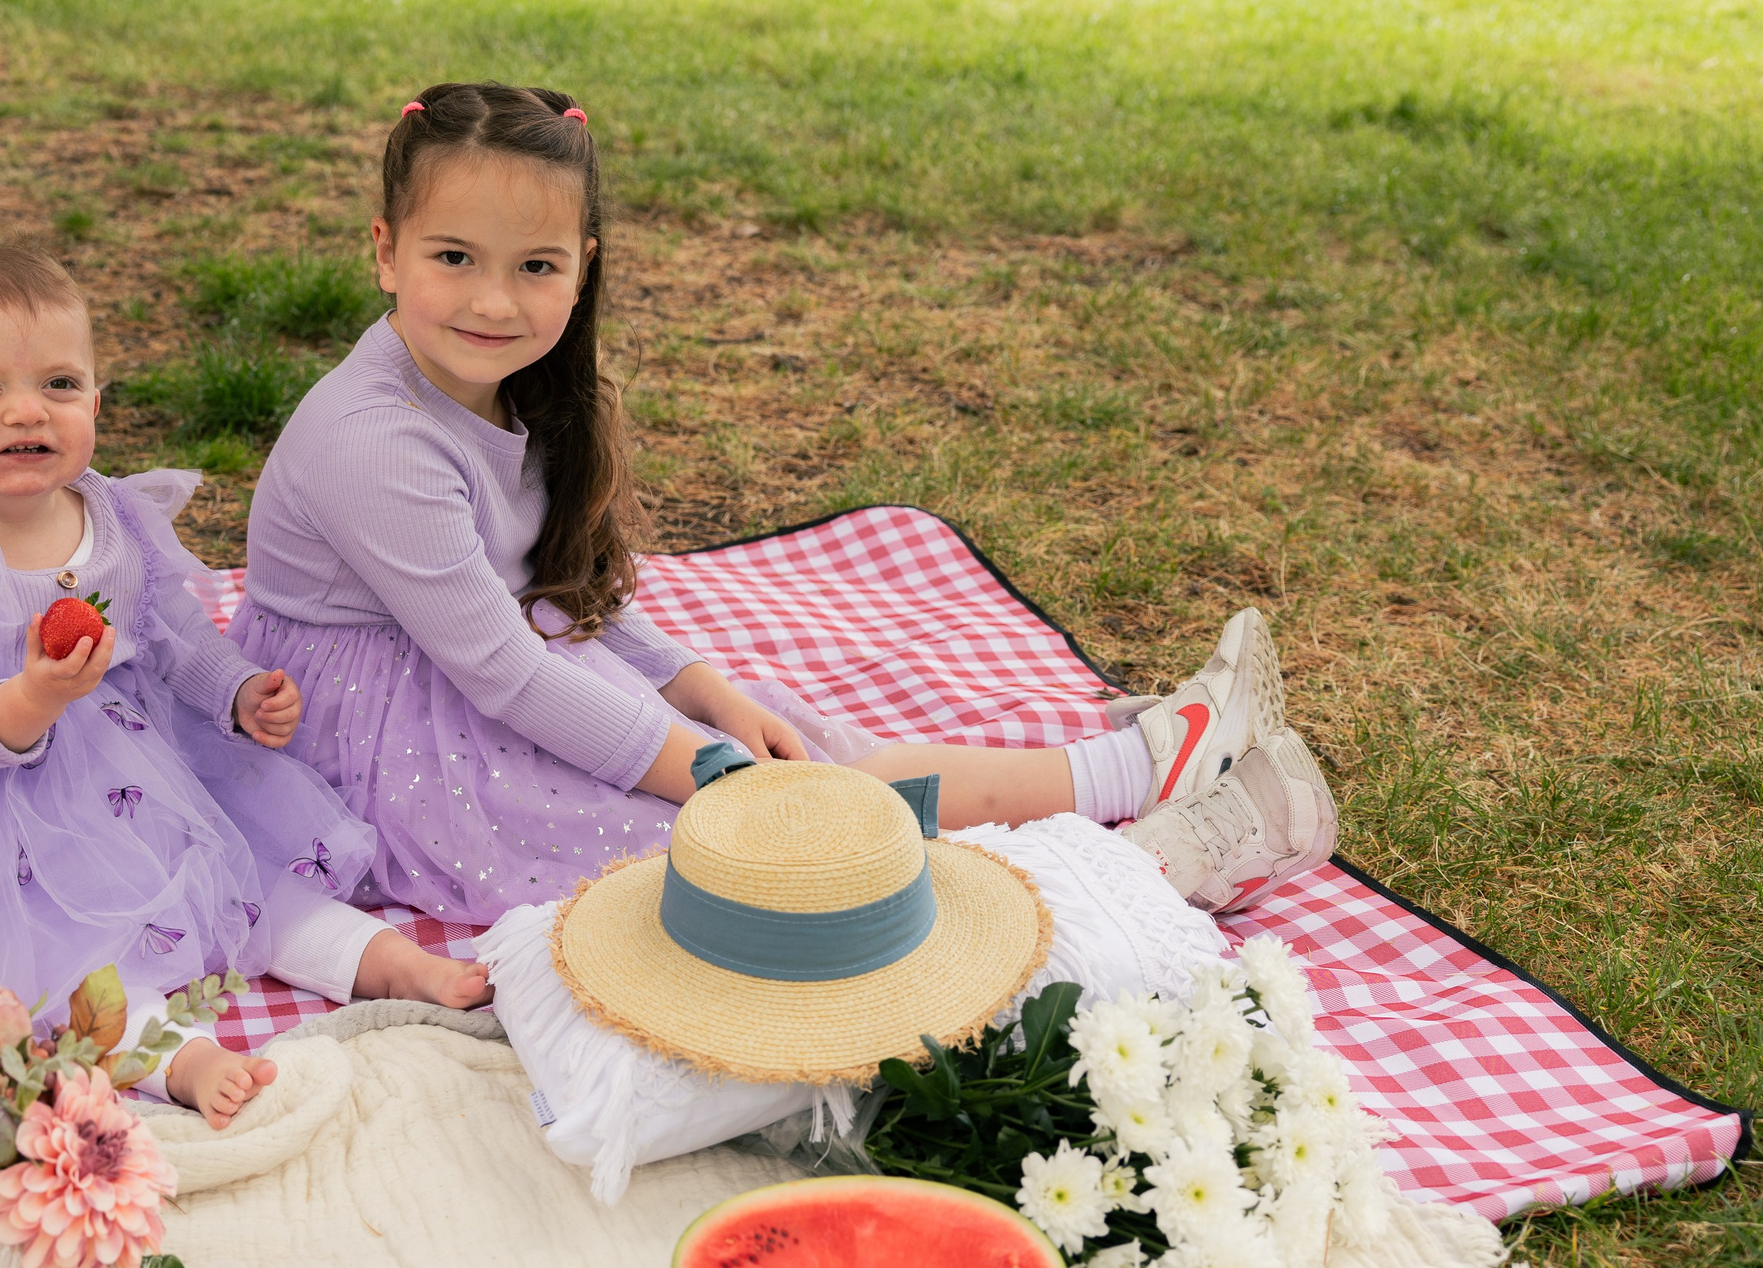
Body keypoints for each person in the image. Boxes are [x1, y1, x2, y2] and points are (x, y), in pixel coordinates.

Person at [230, 83, 1338, 927]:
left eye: (535, 267)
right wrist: (699, 766)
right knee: (758, 848)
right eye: (454, 257)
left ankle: (1142, 763)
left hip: (489, 670)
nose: (492, 299)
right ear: (386, 253)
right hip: (393, 747)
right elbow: (503, 668)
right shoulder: (375, 441)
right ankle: (1144, 870)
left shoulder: (513, 386)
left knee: (811, 758)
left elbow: (542, 587)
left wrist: (699, 690)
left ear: (583, 267)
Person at [0, 244, 488, 1125]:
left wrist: (234, 691)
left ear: (95, 405)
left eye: (60, 384)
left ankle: (381, 961)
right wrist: (34, 697)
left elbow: (170, 630)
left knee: (242, 867)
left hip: (133, 762)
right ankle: (175, 1056)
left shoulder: (107, 513)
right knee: (56, 952)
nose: (26, 409)